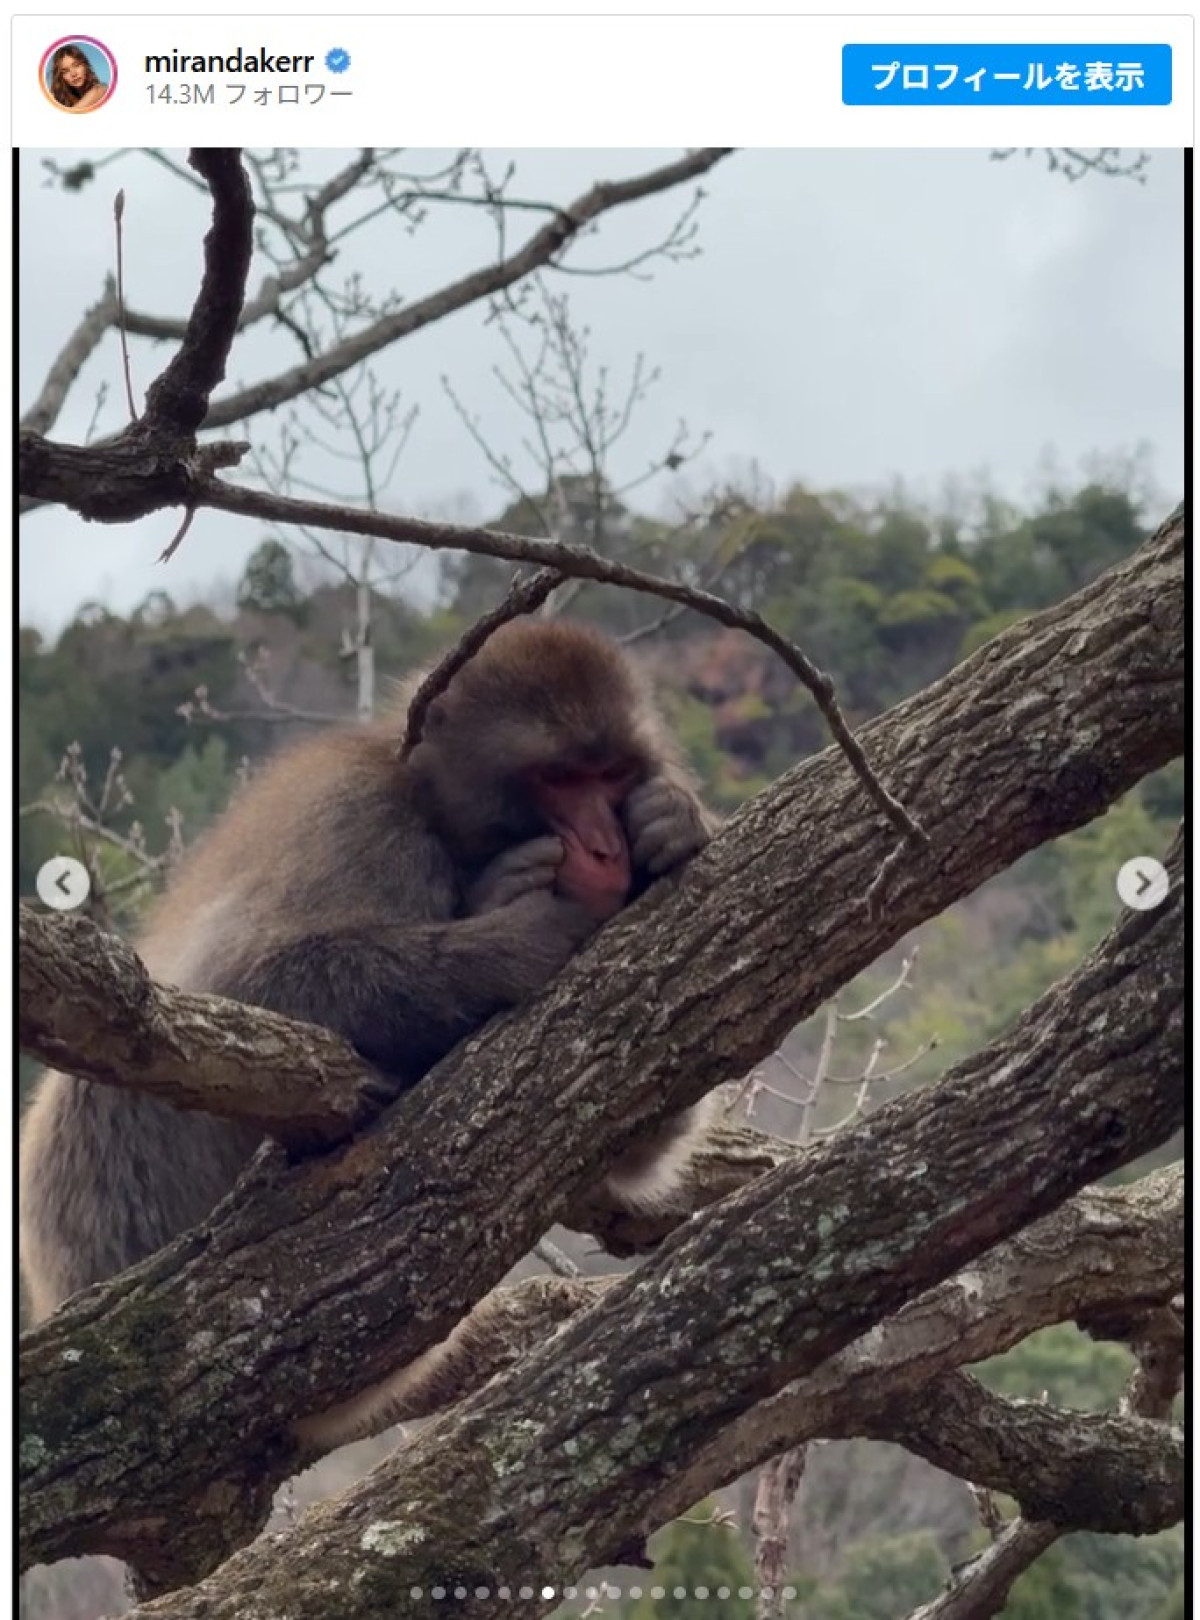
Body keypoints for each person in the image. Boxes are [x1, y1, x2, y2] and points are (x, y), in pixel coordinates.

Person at [48, 45, 109, 111]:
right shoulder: (57, 98)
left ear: (85, 65)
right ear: (61, 77)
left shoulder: (99, 91)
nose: (73, 74)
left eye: (76, 65)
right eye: (66, 71)